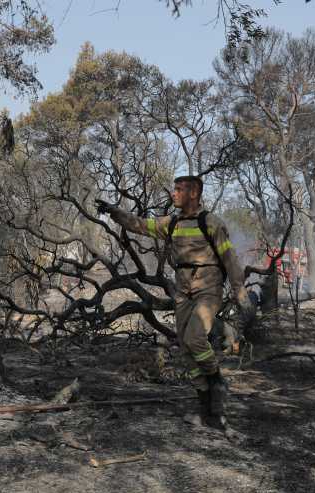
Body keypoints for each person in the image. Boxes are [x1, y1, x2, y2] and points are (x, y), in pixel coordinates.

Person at [96, 175, 255, 434]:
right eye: (175, 189)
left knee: (195, 339)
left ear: (194, 193)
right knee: (185, 348)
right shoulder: (173, 223)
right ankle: (207, 413)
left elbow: (230, 259)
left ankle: (216, 380)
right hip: (183, 292)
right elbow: (140, 224)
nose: (174, 193)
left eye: (179, 189)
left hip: (208, 290)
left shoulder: (212, 223)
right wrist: (114, 212)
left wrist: (240, 292)